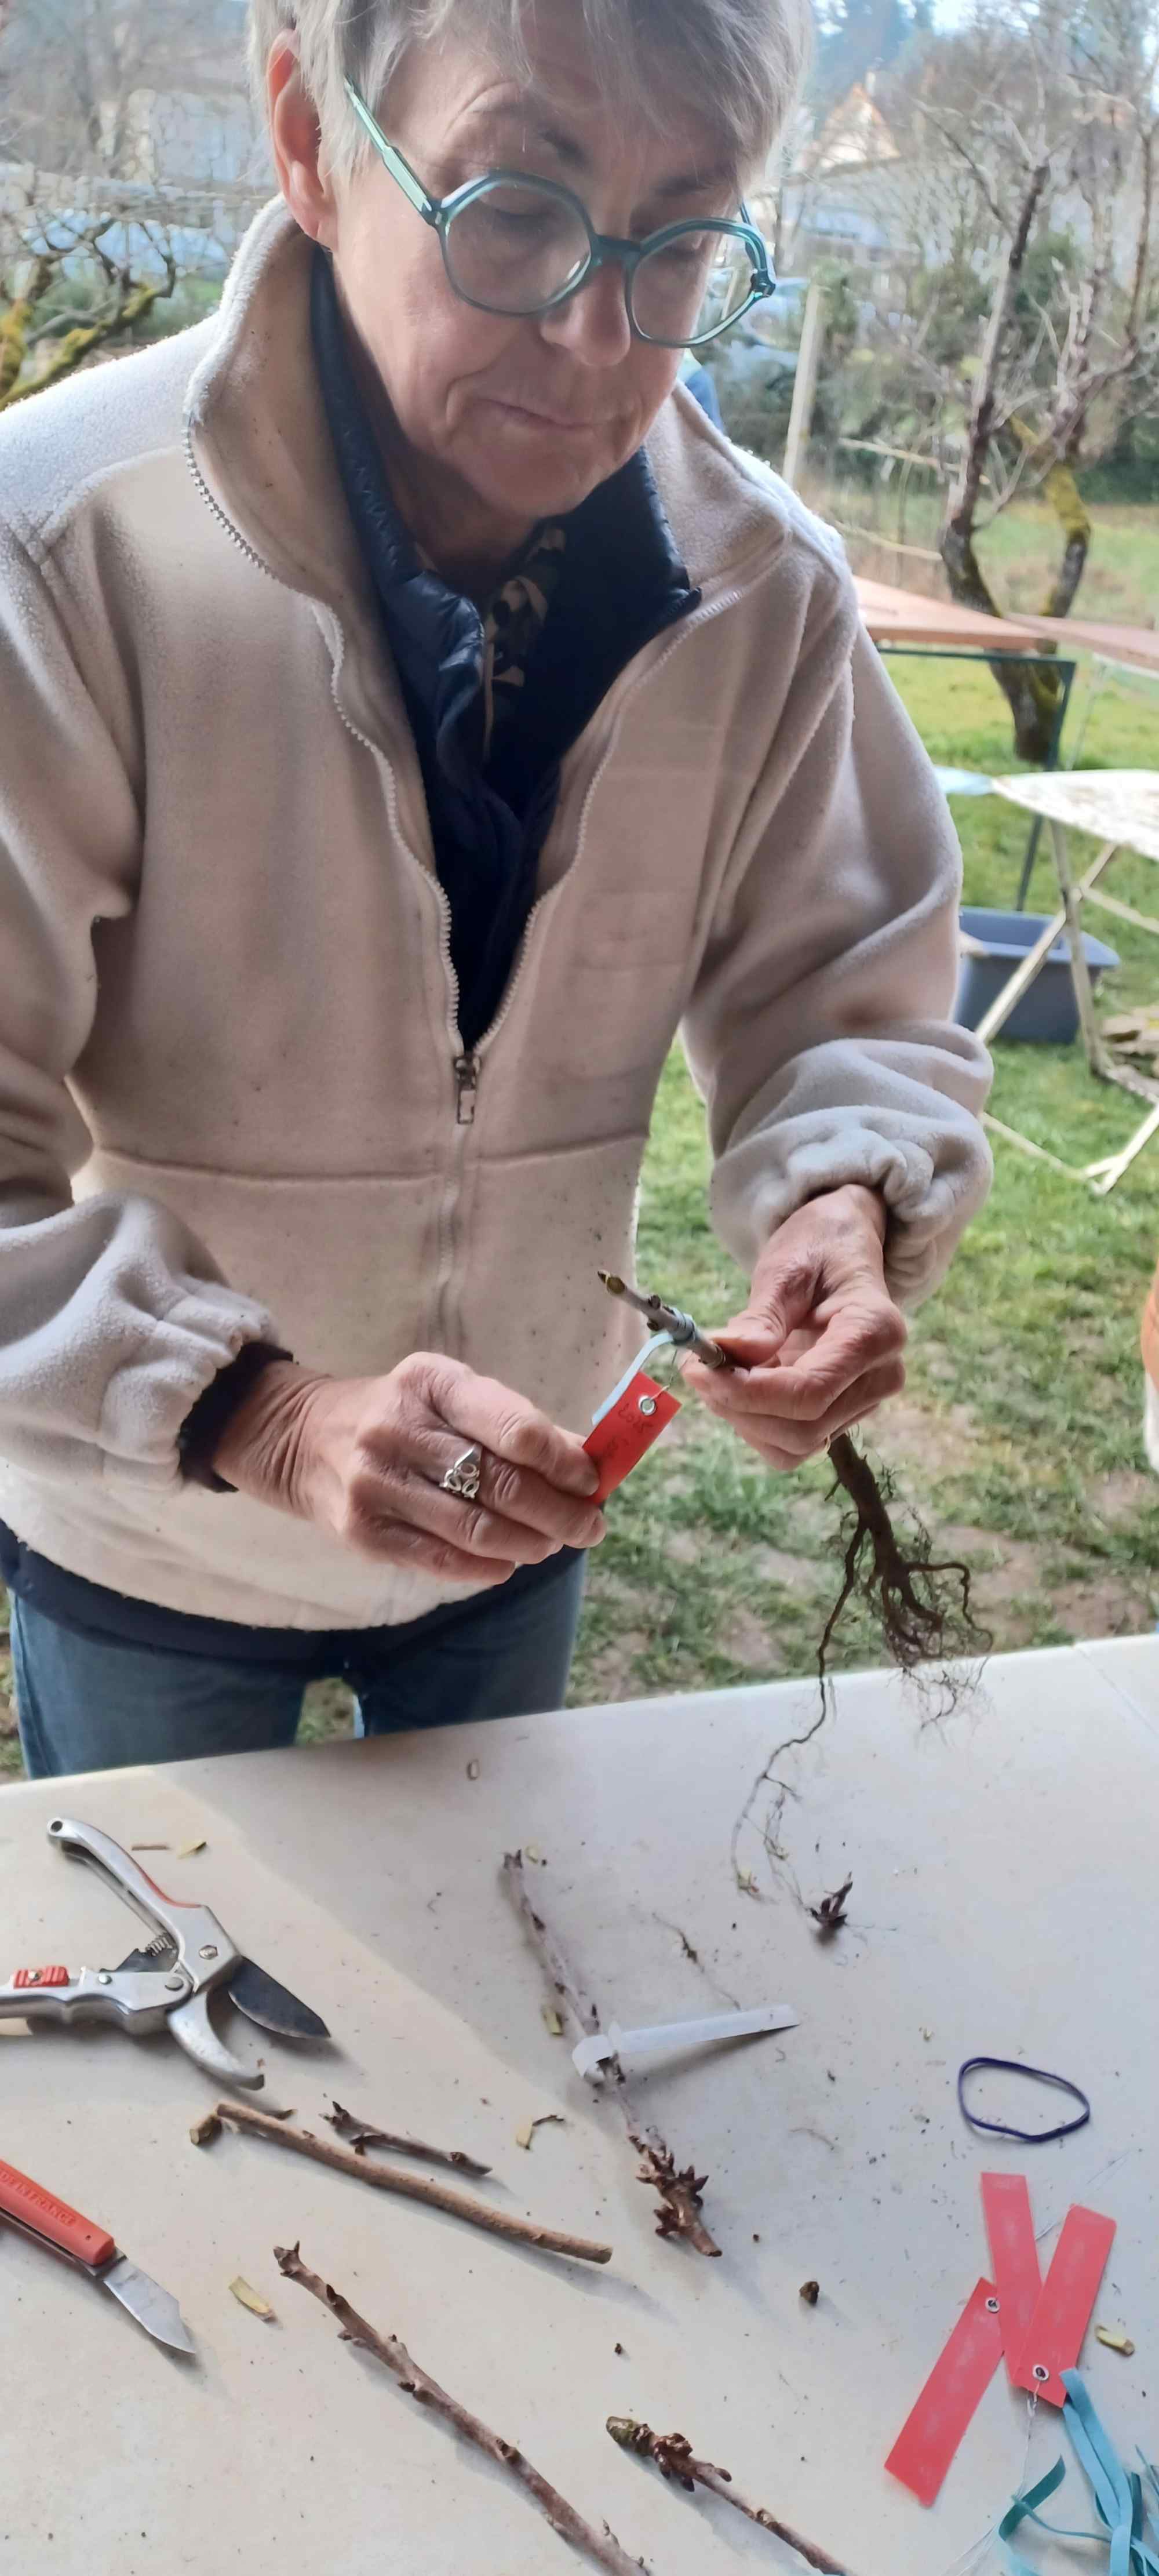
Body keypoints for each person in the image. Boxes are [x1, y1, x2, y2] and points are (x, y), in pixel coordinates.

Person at [0, 0, 992, 1780]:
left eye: (681, 239)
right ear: (309, 138)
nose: (602, 337)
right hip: (149, 1530)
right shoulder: (61, 550)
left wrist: (840, 1196)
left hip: (519, 1523)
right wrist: (267, 1412)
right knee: (183, 2024)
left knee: (492, 1999)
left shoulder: (769, 591)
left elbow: (855, 992)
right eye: (515, 207)